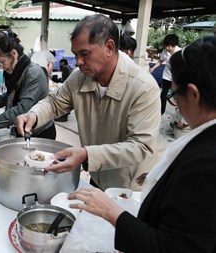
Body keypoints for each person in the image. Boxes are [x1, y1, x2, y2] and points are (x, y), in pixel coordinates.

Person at [68, 36, 216, 253]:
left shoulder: (205, 164)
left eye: (173, 94)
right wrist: (163, 180)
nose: (79, 62)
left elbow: (172, 246)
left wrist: (113, 213)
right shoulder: (203, 146)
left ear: (193, 94)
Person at [16, 14, 160, 191]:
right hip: (97, 175)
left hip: (128, 187)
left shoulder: (142, 87)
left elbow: (141, 146)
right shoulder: (79, 77)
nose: (78, 62)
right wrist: (34, 114)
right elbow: (55, 102)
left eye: (84, 54)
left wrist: (86, 154)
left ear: (109, 47)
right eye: (76, 54)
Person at [0, 32, 56, 139]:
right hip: (22, 128)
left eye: (1, 62)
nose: (1, 67)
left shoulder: (33, 74)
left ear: (14, 53)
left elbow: (23, 107)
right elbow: (12, 97)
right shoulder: (16, 71)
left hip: (39, 133)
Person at [149, 34, 181, 115]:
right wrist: (153, 68)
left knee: (178, 96)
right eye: (166, 46)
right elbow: (160, 61)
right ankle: (161, 111)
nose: (167, 48)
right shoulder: (165, 52)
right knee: (163, 94)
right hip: (166, 76)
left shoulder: (180, 52)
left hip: (177, 77)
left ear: (174, 45)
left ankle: (180, 112)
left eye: (169, 46)